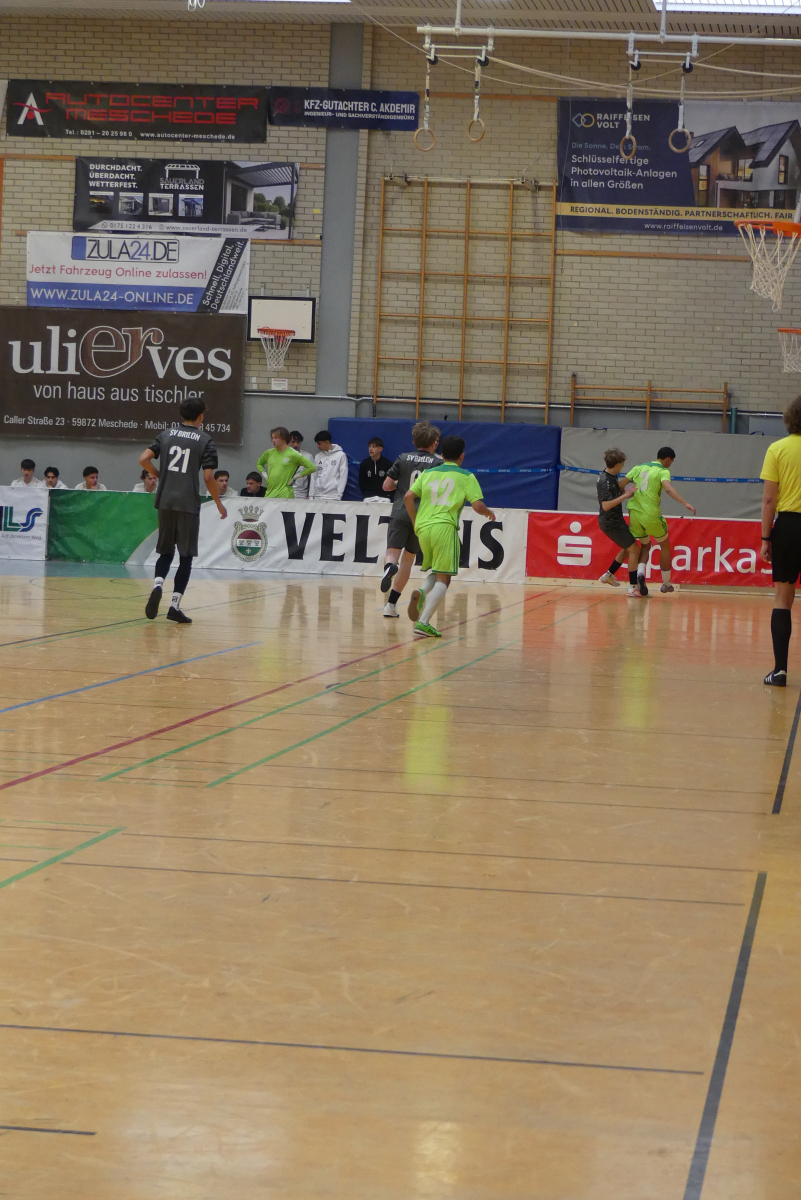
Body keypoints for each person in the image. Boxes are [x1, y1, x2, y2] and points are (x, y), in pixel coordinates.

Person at [139, 396, 226, 625]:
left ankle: (158, 584)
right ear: (200, 417)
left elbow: (143, 459)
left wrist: (159, 475)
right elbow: (208, 476)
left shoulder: (166, 435)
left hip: (165, 500)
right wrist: (218, 502)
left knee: (165, 552)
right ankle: (174, 606)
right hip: (188, 502)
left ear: (181, 415)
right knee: (186, 556)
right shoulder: (205, 440)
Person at [404, 434, 496, 638]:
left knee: (438, 571)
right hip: (444, 527)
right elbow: (477, 505)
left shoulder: (427, 473)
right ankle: (423, 622)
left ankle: (421, 592)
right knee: (444, 579)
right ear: (462, 456)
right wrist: (488, 512)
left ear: (442, 455)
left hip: (423, 528)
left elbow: (408, 496)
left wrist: (415, 521)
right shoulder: (466, 476)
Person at [760, 395, 801, 686]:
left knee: (783, 600)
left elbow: (769, 500)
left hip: (789, 527)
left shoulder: (777, 449)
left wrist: (765, 538)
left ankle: (780, 671)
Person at [380, 422, 441, 619]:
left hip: (400, 511)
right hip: (421, 516)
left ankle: (389, 568)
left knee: (392, 553)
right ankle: (391, 605)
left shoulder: (403, 458)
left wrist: (401, 484)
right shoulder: (438, 463)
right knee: (408, 560)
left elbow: (386, 486)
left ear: (415, 441)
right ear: (434, 442)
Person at [625, 447, 696, 594]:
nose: (670, 465)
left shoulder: (639, 467)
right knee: (664, 545)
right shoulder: (663, 471)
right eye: (671, 462)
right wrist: (685, 503)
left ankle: (640, 573)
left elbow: (620, 484)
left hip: (634, 512)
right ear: (668, 459)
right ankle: (666, 583)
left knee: (645, 545)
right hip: (651, 514)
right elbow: (668, 489)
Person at [596, 448, 648, 598]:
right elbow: (606, 505)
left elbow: (614, 493)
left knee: (628, 548)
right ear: (617, 464)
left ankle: (608, 575)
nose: (623, 467)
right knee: (634, 550)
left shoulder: (611, 476)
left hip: (616, 520)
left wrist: (624, 492)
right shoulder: (605, 481)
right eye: (622, 464)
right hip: (611, 523)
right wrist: (625, 496)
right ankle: (633, 587)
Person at [256, 426, 316, 499]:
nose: (273, 440)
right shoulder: (269, 453)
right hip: (269, 493)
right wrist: (265, 474)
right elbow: (259, 463)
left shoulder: (293, 454)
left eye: (276, 438)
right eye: (272, 438)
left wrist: (296, 476)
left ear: (283, 438)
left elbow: (312, 467)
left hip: (285, 494)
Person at [309, 431, 347, 500]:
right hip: (317, 495)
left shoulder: (341, 455)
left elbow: (343, 477)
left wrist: (338, 496)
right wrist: (311, 495)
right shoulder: (318, 456)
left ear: (327, 442)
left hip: (332, 496)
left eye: (319, 443)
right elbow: (314, 476)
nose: (318, 446)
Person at [289, 431, 315, 499]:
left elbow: (312, 478)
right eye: (293, 442)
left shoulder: (308, 457)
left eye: (298, 442)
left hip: (302, 493)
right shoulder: (283, 456)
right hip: (286, 491)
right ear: (288, 442)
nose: (296, 445)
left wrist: (310, 495)